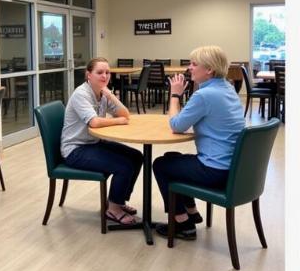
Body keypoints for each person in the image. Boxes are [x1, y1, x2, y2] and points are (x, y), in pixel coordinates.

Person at [153, 45, 245, 240]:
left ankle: (183, 224)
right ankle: (191, 211)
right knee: (172, 158)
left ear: (209, 69)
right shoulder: (227, 88)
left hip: (214, 170)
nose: (189, 68)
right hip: (231, 168)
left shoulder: (205, 95)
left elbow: (177, 125)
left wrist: (175, 95)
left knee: (161, 165)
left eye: (194, 64)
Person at [61, 57, 144, 226]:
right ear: (88, 75)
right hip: (75, 149)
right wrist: (118, 121)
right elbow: (95, 122)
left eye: (107, 72)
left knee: (136, 156)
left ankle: (118, 201)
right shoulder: (81, 94)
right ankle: (112, 210)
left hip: (92, 143)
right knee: (124, 166)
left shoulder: (103, 93)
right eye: (99, 72)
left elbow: (126, 114)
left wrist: (111, 95)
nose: (104, 76)